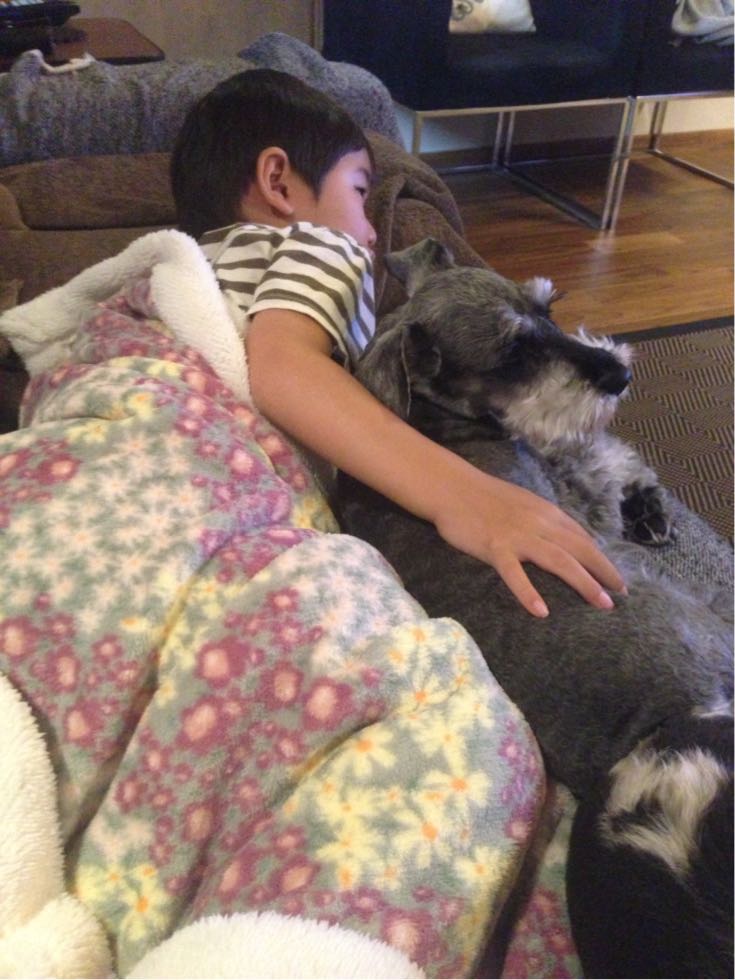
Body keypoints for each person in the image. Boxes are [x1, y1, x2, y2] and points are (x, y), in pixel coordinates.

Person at [170, 68, 625, 618]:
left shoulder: (195, 267)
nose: (370, 231)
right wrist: (465, 495)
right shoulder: (317, 247)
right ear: (279, 184)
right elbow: (282, 366)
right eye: (359, 192)